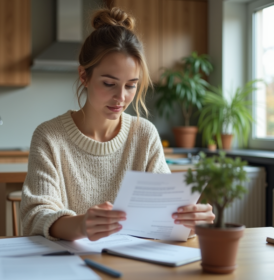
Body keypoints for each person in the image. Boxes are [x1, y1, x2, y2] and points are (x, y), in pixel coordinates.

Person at [20, 7, 215, 241]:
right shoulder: (49, 136)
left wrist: (190, 223)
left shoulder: (145, 134)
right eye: (109, 83)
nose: (121, 97)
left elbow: (164, 219)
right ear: (84, 76)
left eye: (131, 85)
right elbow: (36, 216)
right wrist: (81, 225)